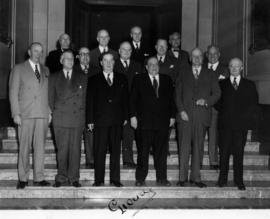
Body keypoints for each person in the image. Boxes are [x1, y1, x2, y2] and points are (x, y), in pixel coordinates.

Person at [175, 48, 221, 188]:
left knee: (198, 148)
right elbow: (177, 94)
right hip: (185, 116)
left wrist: (206, 101)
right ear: (190, 58)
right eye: (194, 56)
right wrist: (181, 110)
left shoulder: (211, 74)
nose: (196, 59)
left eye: (199, 56)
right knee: (183, 148)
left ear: (203, 58)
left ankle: (196, 177)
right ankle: (182, 178)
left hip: (201, 116)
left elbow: (217, 93)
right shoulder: (182, 72)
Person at [9, 42, 51, 189]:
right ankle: (23, 178)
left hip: (42, 114)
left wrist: (49, 111)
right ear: (29, 52)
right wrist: (16, 113)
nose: (38, 54)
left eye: (40, 51)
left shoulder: (46, 70)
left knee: (40, 147)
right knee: (24, 147)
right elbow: (13, 93)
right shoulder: (19, 68)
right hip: (25, 114)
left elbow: (47, 93)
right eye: (35, 51)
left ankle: (39, 177)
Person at [130, 56, 175, 187]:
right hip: (144, 123)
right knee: (142, 152)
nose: (154, 67)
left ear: (159, 66)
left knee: (161, 152)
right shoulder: (139, 79)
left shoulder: (167, 79)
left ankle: (162, 178)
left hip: (162, 122)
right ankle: (140, 178)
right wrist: (133, 116)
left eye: (156, 64)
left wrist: (172, 116)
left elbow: (172, 99)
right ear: (146, 66)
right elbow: (132, 100)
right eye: (151, 64)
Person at [216, 58, 258, 190]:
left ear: (241, 68)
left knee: (239, 154)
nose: (234, 69)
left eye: (237, 66)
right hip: (225, 125)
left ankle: (238, 180)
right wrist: (227, 113)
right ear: (229, 68)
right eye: (232, 66)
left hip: (241, 126)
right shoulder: (221, 84)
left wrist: (242, 117)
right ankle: (222, 179)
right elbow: (217, 102)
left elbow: (253, 104)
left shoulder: (249, 84)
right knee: (224, 154)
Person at [87, 52, 128, 187]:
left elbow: (125, 100)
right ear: (101, 63)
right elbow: (90, 101)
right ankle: (99, 180)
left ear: (114, 63)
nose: (109, 63)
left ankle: (115, 179)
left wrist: (125, 117)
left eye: (111, 61)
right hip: (100, 121)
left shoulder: (122, 78)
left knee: (116, 151)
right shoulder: (93, 79)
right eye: (105, 60)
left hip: (117, 121)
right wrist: (90, 120)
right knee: (99, 151)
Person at [49, 51, 87, 187]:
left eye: (72, 59)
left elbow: (85, 100)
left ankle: (74, 178)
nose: (70, 61)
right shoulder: (53, 77)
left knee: (75, 149)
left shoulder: (82, 77)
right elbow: (50, 99)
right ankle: (61, 177)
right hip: (60, 118)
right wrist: (54, 114)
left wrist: (85, 118)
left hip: (77, 118)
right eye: (67, 58)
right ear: (61, 60)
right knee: (62, 149)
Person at [114, 41, 142, 169]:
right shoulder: (112, 64)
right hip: (117, 104)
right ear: (119, 51)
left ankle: (128, 159)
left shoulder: (137, 66)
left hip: (133, 105)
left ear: (131, 51)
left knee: (129, 134)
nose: (126, 52)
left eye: (129, 50)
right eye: (123, 50)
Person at [202, 45, 229, 170]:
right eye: (210, 54)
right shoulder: (200, 68)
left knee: (213, 135)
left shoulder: (225, 70)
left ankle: (213, 161)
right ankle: (198, 160)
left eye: (215, 54)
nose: (212, 56)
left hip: (215, 107)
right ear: (206, 55)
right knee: (199, 135)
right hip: (201, 107)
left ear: (219, 54)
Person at [74, 47, 96, 169]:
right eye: (82, 54)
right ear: (78, 57)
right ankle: (74, 161)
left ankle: (90, 160)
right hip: (76, 109)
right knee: (75, 138)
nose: (85, 56)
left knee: (91, 136)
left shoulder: (97, 70)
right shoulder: (73, 70)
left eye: (87, 54)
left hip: (91, 108)